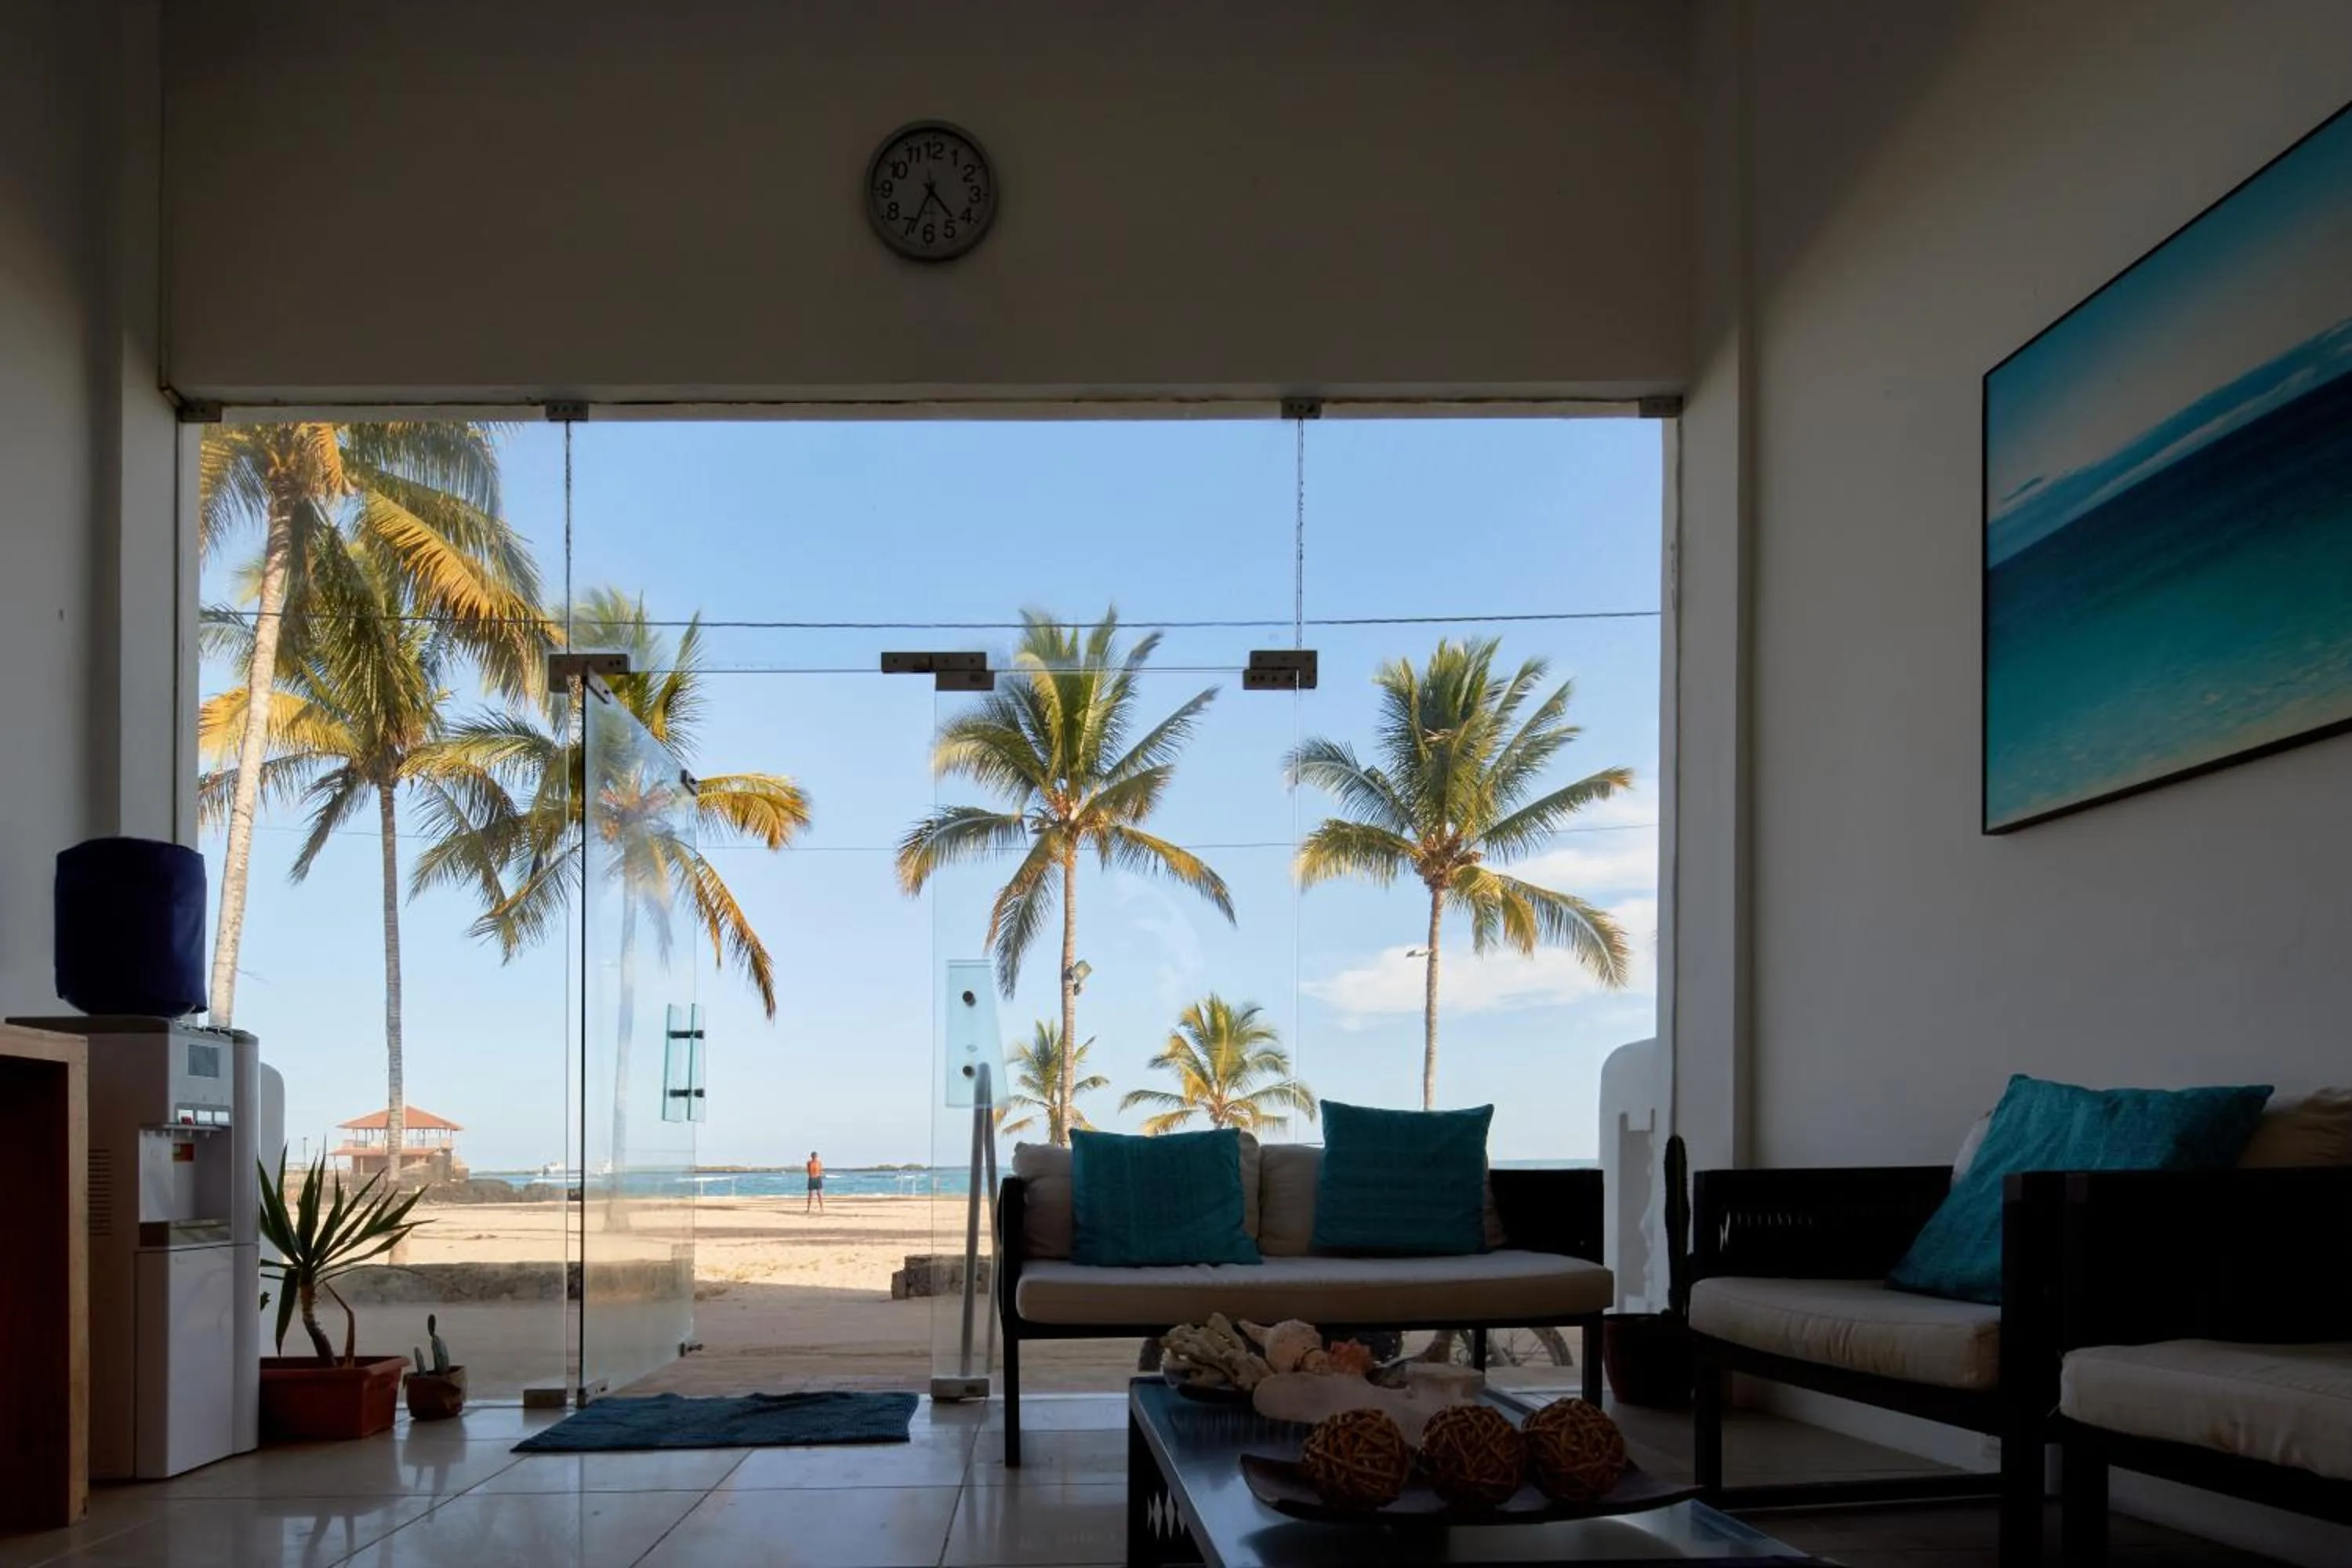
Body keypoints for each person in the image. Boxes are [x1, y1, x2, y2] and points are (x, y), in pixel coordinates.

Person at [804, 1150, 825, 1214]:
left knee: (819, 1194)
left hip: (816, 1178)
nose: (815, 1157)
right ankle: (808, 1209)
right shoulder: (809, 1163)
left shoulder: (819, 1163)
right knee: (811, 1194)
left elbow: (820, 1171)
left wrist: (816, 1175)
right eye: (814, 1156)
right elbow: (809, 1171)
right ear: (812, 1156)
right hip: (813, 1178)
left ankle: (821, 1208)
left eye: (815, 1156)